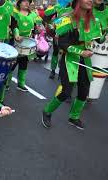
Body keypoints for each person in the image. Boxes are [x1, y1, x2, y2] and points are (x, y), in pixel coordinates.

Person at [42, 0, 102, 130]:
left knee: (84, 91)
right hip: (70, 59)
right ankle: (47, 111)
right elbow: (62, 44)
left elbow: (99, 38)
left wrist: (103, 33)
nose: (90, 1)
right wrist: (81, 52)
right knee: (66, 91)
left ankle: (74, 117)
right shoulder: (67, 18)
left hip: (85, 60)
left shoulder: (92, 20)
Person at [8, 0, 42, 92]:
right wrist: (16, 35)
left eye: (28, 1)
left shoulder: (33, 15)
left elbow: (36, 27)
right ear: (19, 3)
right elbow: (13, 25)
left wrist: (38, 29)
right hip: (16, 41)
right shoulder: (15, 13)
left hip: (28, 43)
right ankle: (6, 83)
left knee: (24, 63)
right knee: (12, 64)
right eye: (25, 1)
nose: (27, 3)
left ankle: (21, 84)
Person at [44, 2, 73, 79]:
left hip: (70, 34)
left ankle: (62, 71)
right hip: (58, 33)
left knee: (66, 53)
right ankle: (53, 70)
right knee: (56, 52)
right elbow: (46, 16)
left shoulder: (75, 7)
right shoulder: (58, 6)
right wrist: (51, 25)